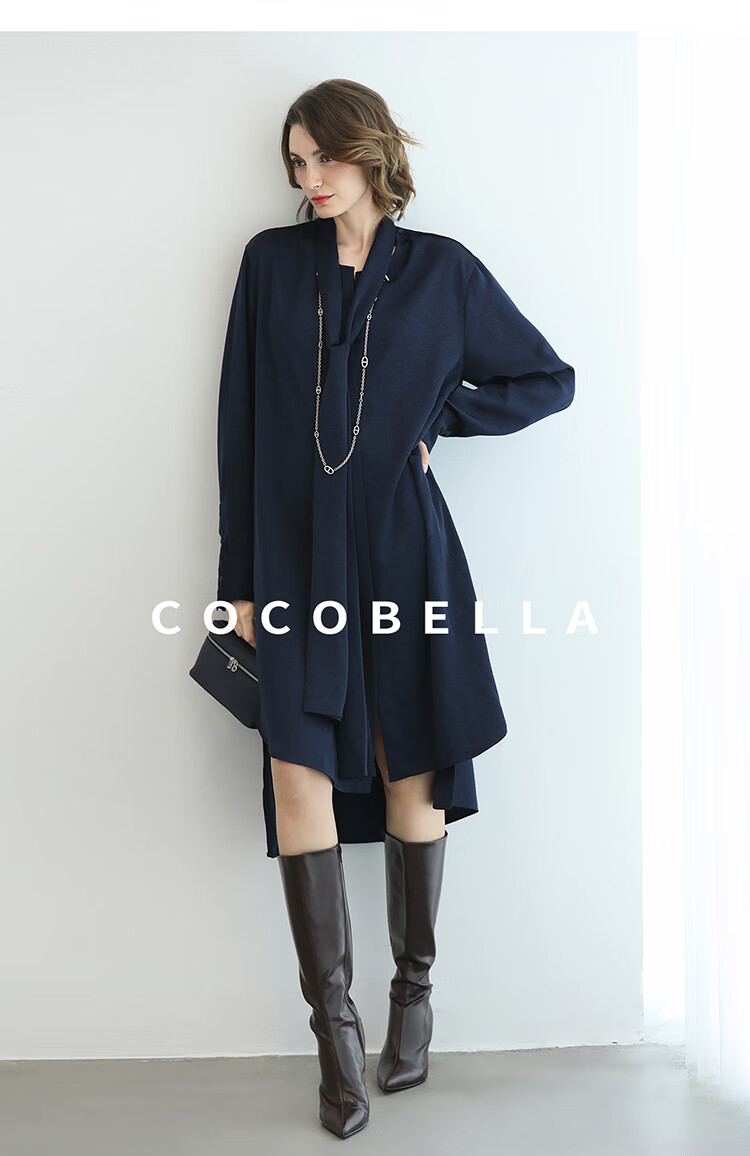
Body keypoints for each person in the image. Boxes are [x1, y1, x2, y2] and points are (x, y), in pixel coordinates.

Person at [215, 78, 575, 1140]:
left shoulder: (443, 272)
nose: (308, 179)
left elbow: (547, 379)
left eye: (320, 158)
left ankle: (412, 999)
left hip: (408, 556)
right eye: (295, 163)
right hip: (293, 559)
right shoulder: (269, 264)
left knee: (412, 762)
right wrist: (239, 580)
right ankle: (336, 1046)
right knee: (297, 771)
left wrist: (440, 417)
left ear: (367, 153)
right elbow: (239, 423)